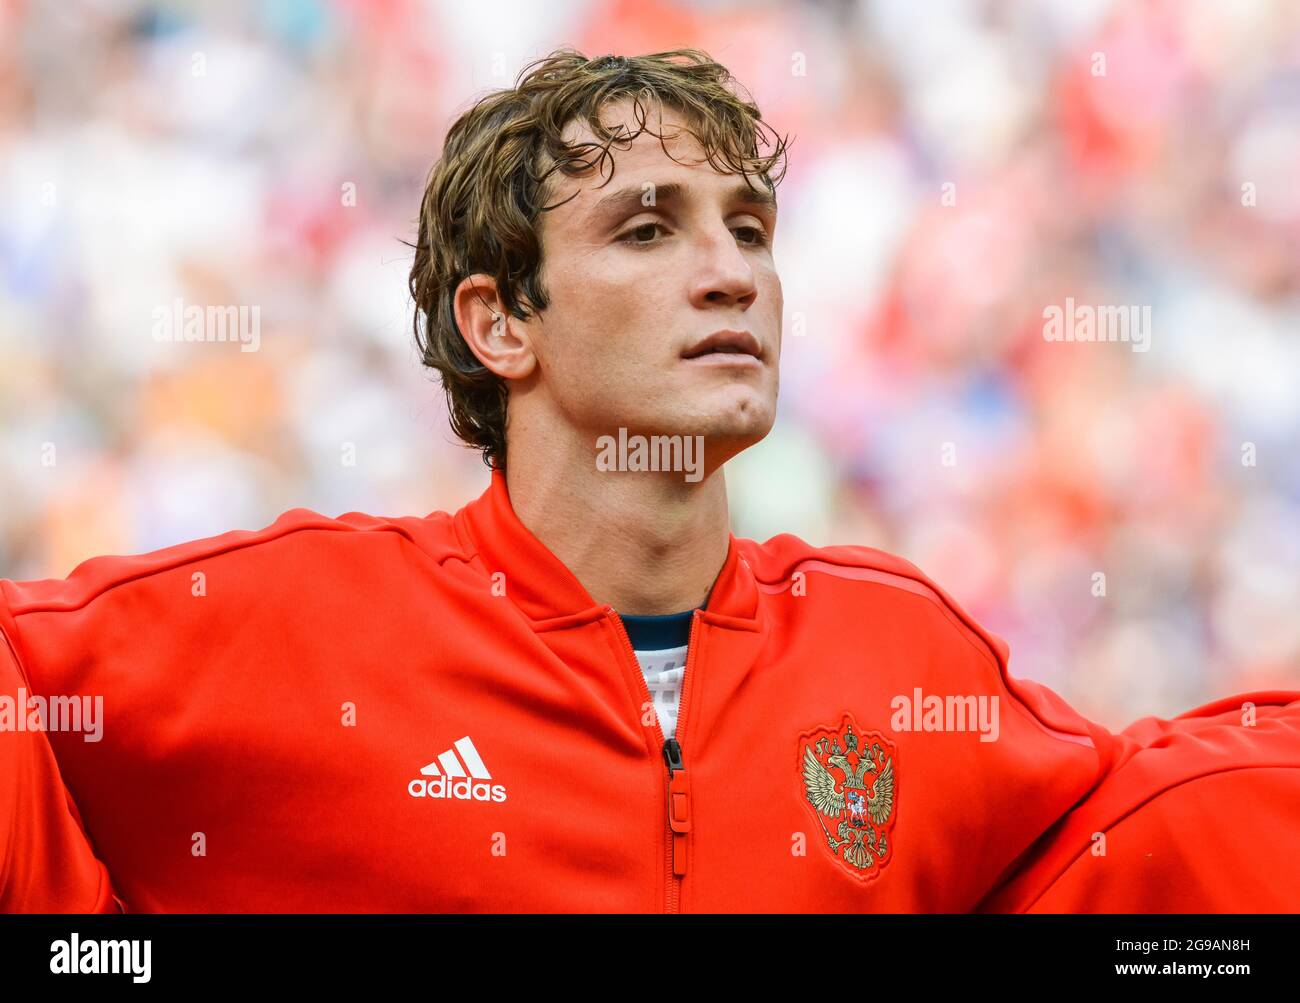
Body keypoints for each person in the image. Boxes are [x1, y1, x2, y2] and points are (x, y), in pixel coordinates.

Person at [2, 48, 1297, 914]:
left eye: (749, 228)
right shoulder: (288, 621)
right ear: (502, 323)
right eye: (645, 228)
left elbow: (1158, 838)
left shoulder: (897, 646)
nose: (732, 270)